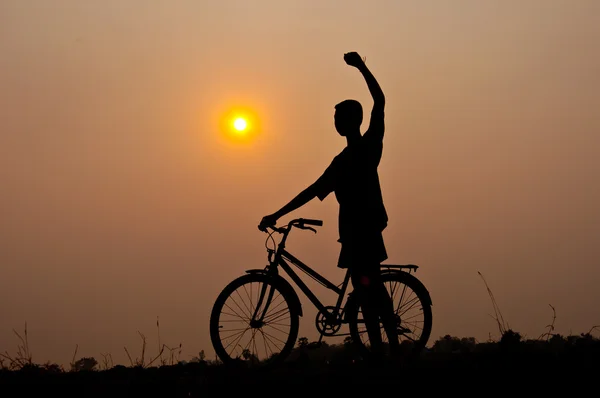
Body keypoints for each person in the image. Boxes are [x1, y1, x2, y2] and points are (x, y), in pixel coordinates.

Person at [259, 51, 400, 360]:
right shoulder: (345, 159)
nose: (335, 122)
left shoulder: (364, 148)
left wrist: (362, 67)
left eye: (339, 118)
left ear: (352, 121)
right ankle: (381, 351)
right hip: (353, 231)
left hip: (363, 230)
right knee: (367, 292)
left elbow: (380, 101)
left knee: (371, 289)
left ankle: (388, 349)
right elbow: (312, 191)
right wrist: (278, 213)